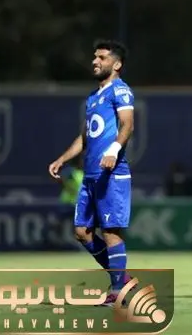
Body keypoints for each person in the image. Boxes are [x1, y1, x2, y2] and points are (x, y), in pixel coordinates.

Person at [48, 39, 135, 306]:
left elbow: (127, 124)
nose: (95, 61)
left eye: (102, 58)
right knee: (82, 232)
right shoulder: (93, 97)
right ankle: (123, 279)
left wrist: (113, 151)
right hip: (90, 175)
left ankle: (118, 290)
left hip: (112, 173)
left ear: (116, 65)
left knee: (110, 232)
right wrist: (63, 159)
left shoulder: (120, 90)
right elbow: (86, 137)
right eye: (95, 57)